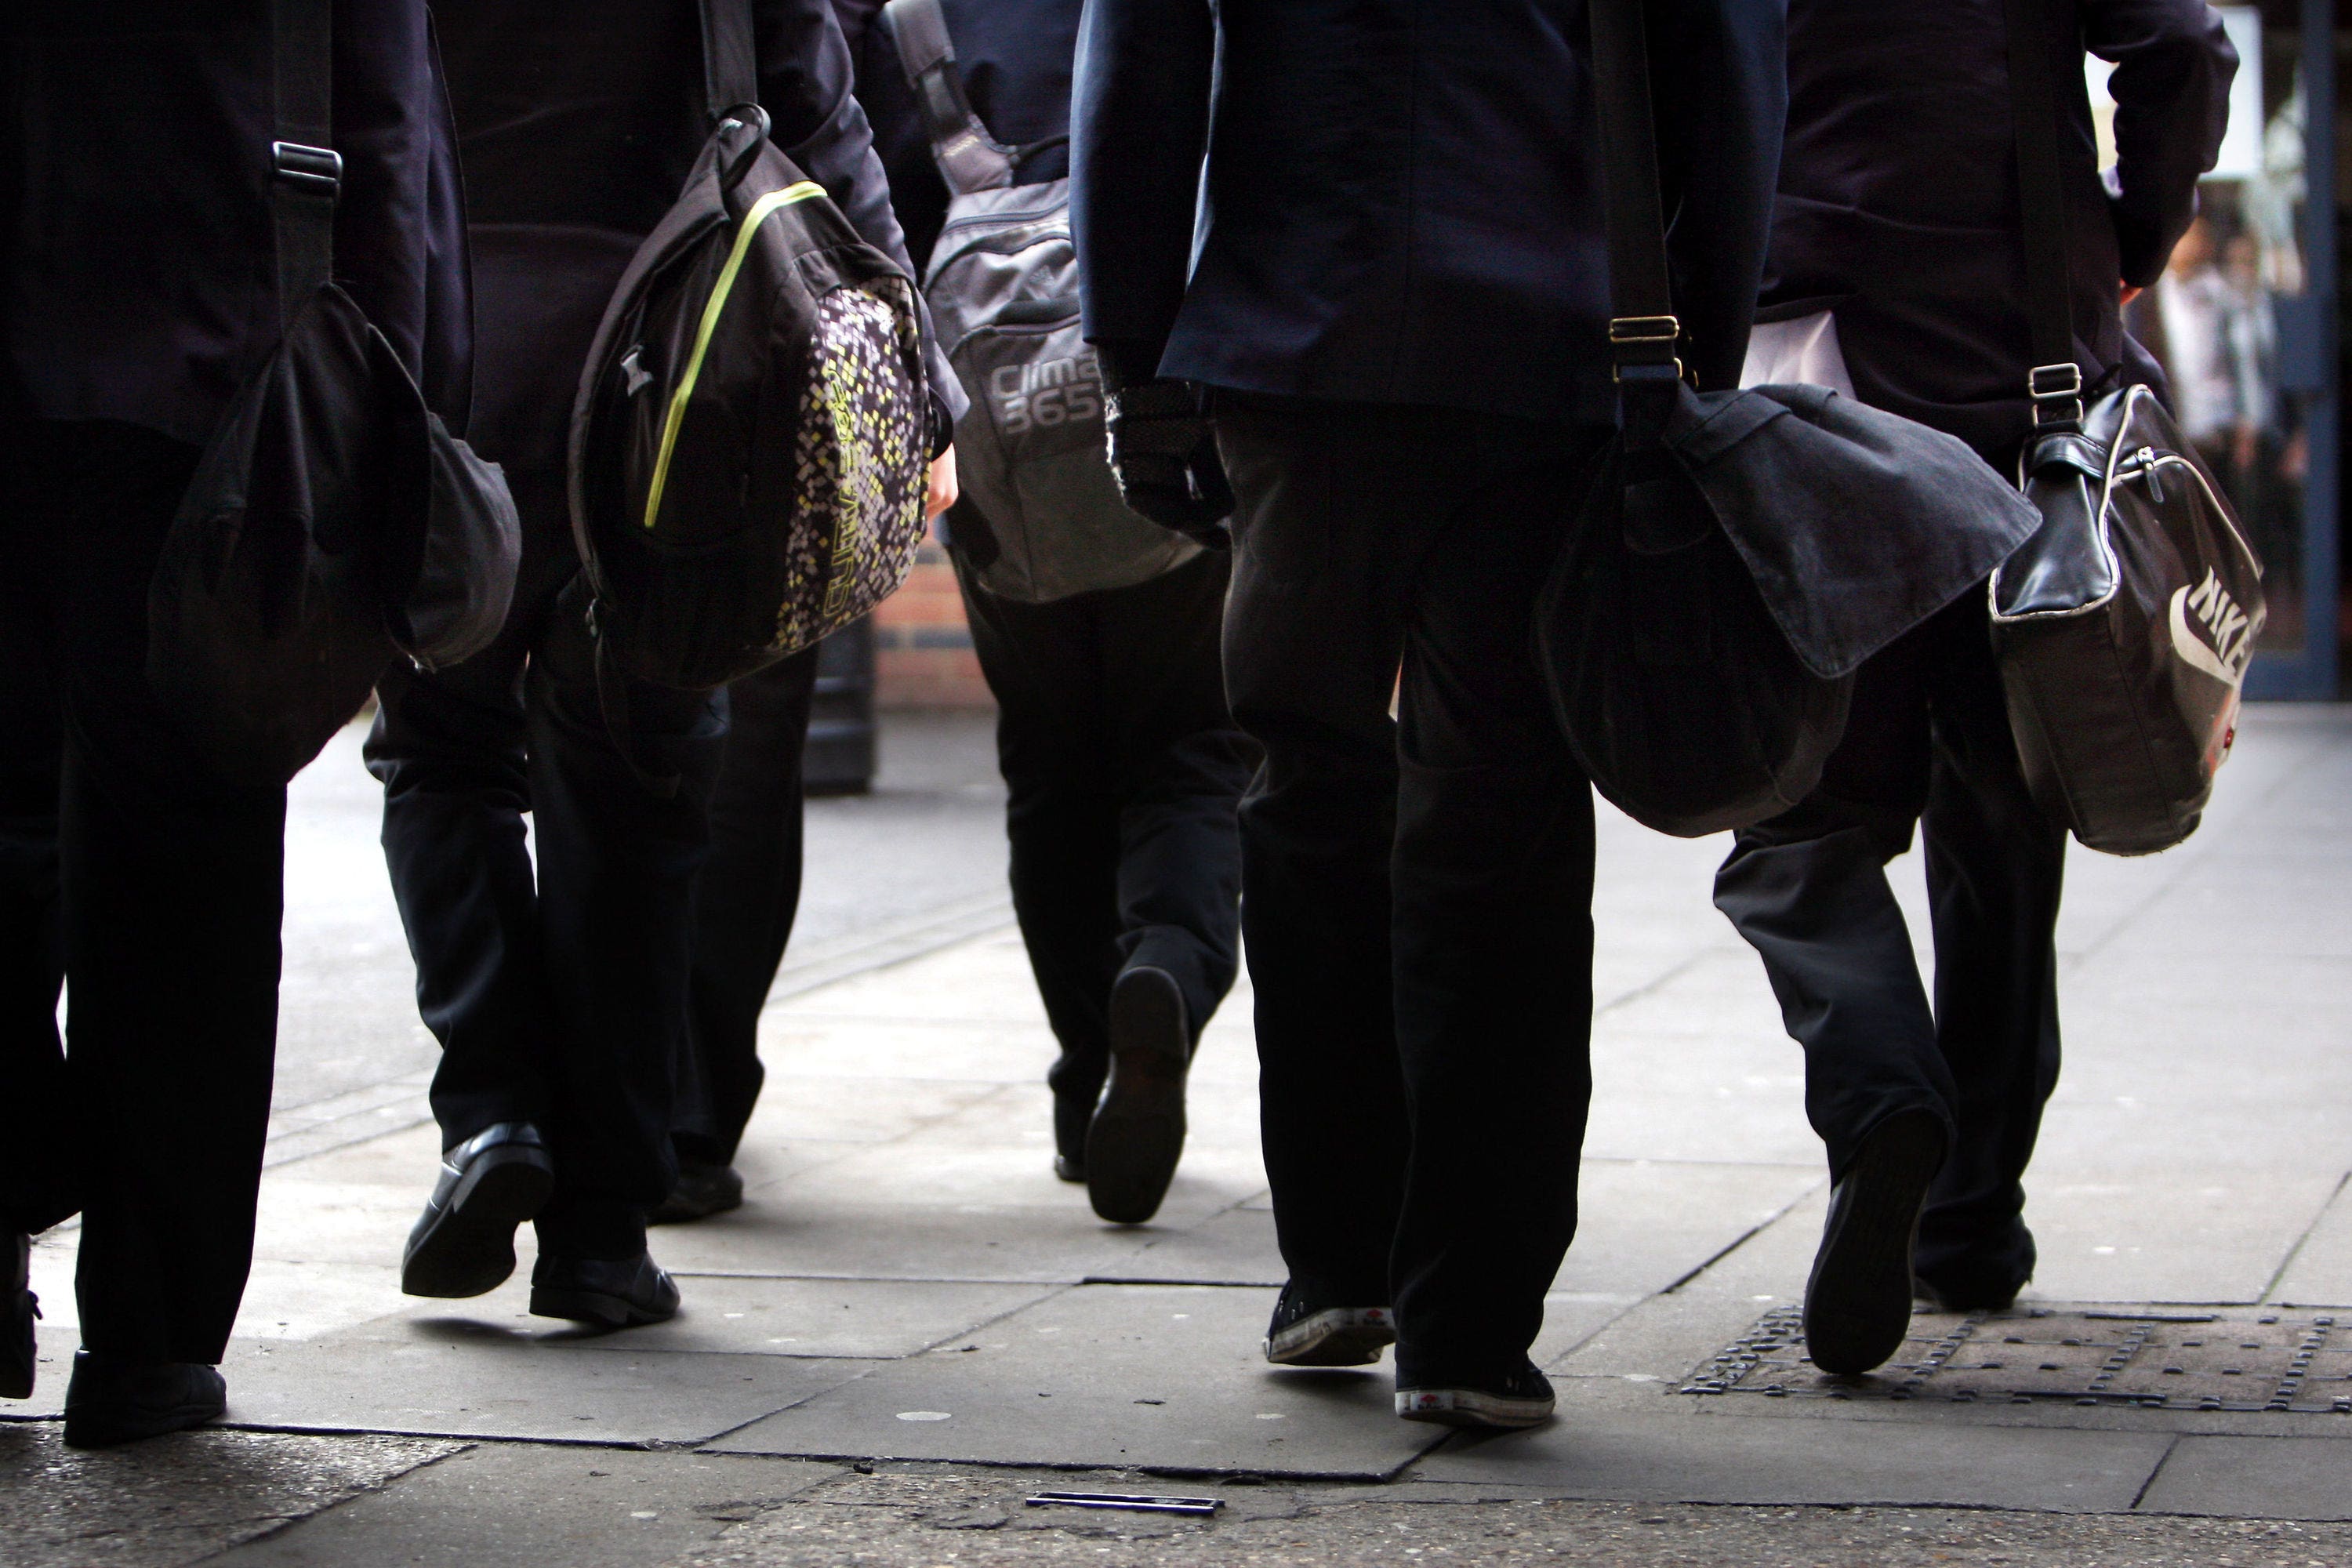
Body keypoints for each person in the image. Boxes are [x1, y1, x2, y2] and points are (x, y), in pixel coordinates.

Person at [1072, 0, 1783, 1425]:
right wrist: (1698, 336)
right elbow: (1728, 62)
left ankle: (1335, 1257)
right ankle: (1473, 1322)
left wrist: (1139, 358)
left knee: (1309, 791)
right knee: (1505, 812)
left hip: (1298, 331)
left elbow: (1140, 55)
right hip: (1547, 342)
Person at [368, 0, 957, 1327]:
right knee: (638, 789)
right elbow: (820, 118)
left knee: (439, 754)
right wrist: (915, 377)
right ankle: (602, 1235)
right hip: (674, 388)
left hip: (446, 366)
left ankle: (492, 1114)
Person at [1715, 0, 2234, 1374]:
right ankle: (1969, 1222)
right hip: (2023, 370)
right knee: (2002, 817)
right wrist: (2124, 234)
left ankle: (1882, 1088)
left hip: (1811, 376)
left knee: (1800, 821)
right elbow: (2181, 45)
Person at [1, 2, 466, 1443]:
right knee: (188, 878)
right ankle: (148, 1345)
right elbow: (383, 126)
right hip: (209, 393)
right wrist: (407, 408)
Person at [833, 0, 1251, 1225]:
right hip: (1166, 420)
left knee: (1053, 769)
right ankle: (1165, 970)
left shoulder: (915, 15)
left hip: (1003, 462)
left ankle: (1085, 1088)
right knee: (1195, 753)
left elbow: (876, 224)